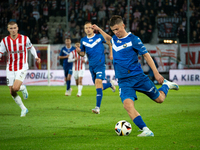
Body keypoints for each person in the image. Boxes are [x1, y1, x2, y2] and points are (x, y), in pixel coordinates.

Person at [91, 15, 179, 137]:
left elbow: (147, 56)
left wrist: (156, 73)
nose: (116, 32)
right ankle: (146, 130)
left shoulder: (134, 39)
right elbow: (108, 38)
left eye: (117, 29)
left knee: (160, 99)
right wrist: (99, 30)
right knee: (127, 105)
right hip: (124, 81)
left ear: (123, 25)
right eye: (113, 30)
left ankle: (166, 86)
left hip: (138, 78)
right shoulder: (114, 39)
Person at [0, 21, 41, 117]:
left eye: (15, 28)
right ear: (8, 29)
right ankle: (24, 108)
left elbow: (31, 48)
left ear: (17, 28)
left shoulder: (24, 39)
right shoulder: (4, 41)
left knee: (15, 88)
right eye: (11, 28)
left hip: (22, 66)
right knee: (12, 91)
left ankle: (22, 88)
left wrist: (36, 57)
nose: (13, 30)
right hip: (10, 67)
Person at [76, 21, 116, 114]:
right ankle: (110, 84)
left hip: (100, 64)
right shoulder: (83, 40)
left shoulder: (99, 37)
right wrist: (79, 52)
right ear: (84, 30)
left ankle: (97, 108)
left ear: (93, 28)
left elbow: (110, 42)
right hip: (91, 66)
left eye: (89, 27)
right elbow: (82, 54)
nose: (88, 29)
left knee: (98, 83)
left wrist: (111, 53)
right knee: (99, 87)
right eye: (86, 28)